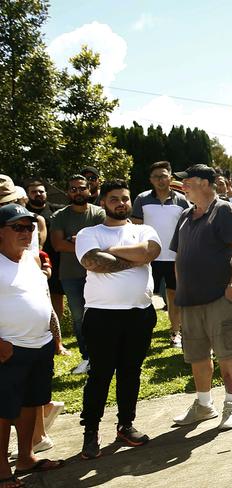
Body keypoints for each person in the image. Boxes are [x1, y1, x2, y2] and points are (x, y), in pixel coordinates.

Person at [75, 180, 161, 459]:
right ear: (103, 202)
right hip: (102, 316)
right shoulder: (90, 232)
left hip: (139, 314)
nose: (121, 203)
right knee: (100, 374)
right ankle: (91, 433)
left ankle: (126, 425)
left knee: (130, 372)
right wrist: (136, 258)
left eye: (125, 198)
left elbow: (150, 252)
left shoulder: (143, 229)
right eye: (114, 199)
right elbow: (91, 262)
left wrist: (110, 252)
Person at [170, 164, 232, 431]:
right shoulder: (184, 215)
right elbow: (179, 255)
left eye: (187, 180)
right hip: (189, 300)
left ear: (204, 182)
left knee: (227, 354)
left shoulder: (223, 210)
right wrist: (181, 288)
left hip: (219, 298)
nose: (183, 185)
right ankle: (204, 405)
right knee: (198, 356)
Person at [1, 203, 65, 485]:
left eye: (29, 227)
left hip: (40, 345)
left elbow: (42, 298)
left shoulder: (31, 257)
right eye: (18, 227)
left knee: (31, 404)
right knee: (4, 411)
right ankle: (2, 469)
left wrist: (55, 337)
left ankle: (26, 457)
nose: (26, 233)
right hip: (9, 350)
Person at [50, 175, 105, 374]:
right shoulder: (59, 216)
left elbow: (103, 243)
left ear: (89, 190)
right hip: (71, 275)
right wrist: (87, 243)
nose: (77, 192)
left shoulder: (99, 213)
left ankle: (104, 355)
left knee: (102, 314)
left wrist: (75, 241)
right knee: (79, 317)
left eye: (81, 188)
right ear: (68, 192)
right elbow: (58, 244)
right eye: (73, 189)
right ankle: (87, 357)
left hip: (98, 272)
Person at [132, 161, 189, 348]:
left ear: (170, 177)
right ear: (150, 180)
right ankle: (142, 334)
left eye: (164, 175)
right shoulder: (142, 199)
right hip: (149, 257)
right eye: (156, 176)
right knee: (144, 296)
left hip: (174, 257)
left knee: (174, 296)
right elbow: (135, 228)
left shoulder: (181, 200)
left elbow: (187, 228)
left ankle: (175, 333)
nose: (160, 180)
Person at [24, 179, 65, 321]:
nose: (38, 194)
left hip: (55, 260)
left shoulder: (57, 211)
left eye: (41, 191)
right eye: (34, 192)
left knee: (56, 295)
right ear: (28, 195)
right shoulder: (22, 212)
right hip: (29, 261)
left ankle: (56, 328)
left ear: (46, 193)